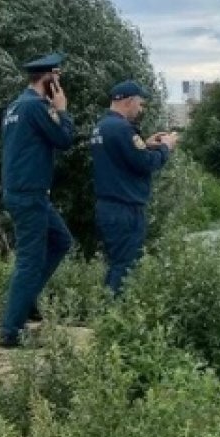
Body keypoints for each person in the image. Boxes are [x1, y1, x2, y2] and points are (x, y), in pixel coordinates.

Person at [0, 53, 76, 348]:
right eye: (58, 77)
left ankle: (25, 300)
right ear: (49, 80)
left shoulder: (16, 105)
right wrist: (62, 110)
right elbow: (64, 140)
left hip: (24, 192)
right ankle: (10, 331)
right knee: (29, 262)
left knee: (61, 241)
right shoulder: (37, 107)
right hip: (30, 195)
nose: (60, 82)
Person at [90, 80, 178, 295]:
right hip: (125, 209)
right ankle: (112, 317)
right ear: (129, 101)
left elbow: (122, 158)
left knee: (117, 262)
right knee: (125, 265)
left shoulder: (101, 126)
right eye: (140, 104)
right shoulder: (122, 129)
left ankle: (107, 312)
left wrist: (145, 145)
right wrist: (166, 147)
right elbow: (146, 164)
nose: (142, 109)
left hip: (108, 205)